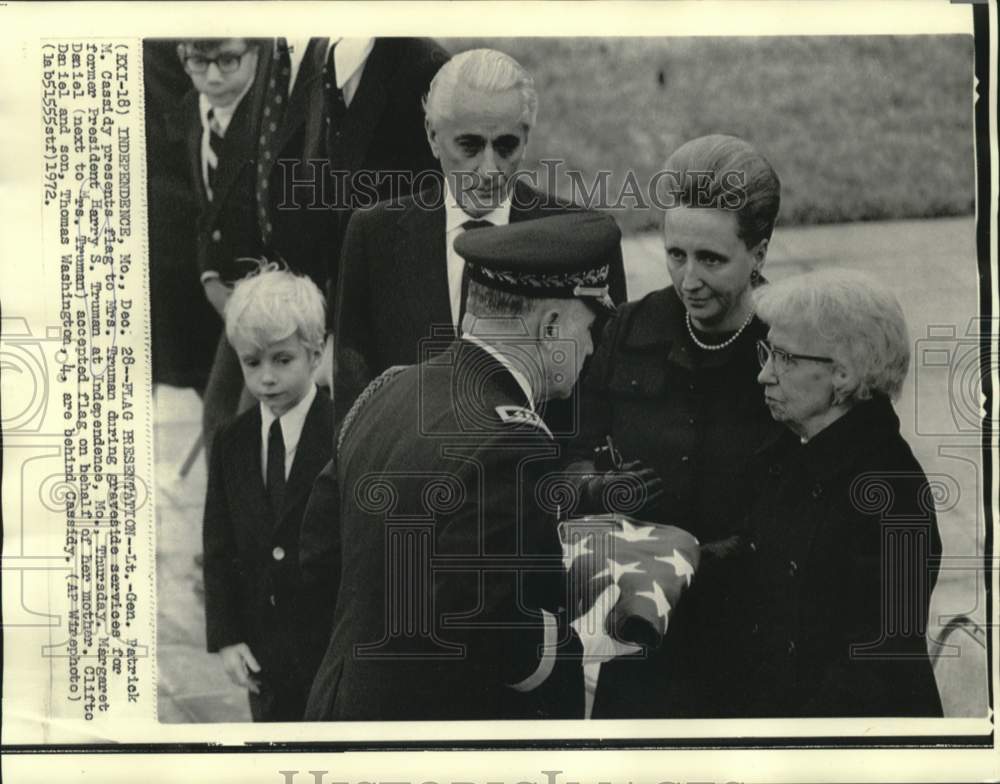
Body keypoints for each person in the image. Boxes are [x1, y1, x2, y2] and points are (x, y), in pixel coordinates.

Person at [304, 213, 635, 721]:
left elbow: (322, 553)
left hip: (342, 705)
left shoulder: (390, 388)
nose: (591, 348)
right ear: (551, 328)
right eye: (590, 327)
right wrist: (580, 638)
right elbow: (493, 632)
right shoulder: (514, 442)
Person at [567, 134, 786, 717]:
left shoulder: (790, 349)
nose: (688, 280)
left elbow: (801, 511)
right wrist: (598, 497)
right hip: (638, 651)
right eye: (675, 255)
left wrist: (683, 563)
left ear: (759, 253)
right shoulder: (628, 330)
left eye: (711, 260)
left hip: (751, 649)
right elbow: (575, 451)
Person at [332, 47, 627, 431]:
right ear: (432, 137)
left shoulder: (582, 240)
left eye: (506, 147)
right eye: (469, 146)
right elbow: (356, 403)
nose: (488, 170)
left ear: (527, 137)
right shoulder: (374, 235)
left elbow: (608, 389)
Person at [736, 268, 943, 716]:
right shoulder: (786, 453)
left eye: (785, 358)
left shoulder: (894, 494)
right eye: (766, 353)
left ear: (844, 376)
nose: (764, 376)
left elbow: (876, 665)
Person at [202, 264, 333, 722]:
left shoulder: (343, 432)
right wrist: (227, 636)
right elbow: (218, 547)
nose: (266, 379)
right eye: (251, 362)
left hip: (328, 650)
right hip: (263, 656)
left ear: (315, 354)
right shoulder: (231, 442)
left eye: (282, 360)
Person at [173, 37, 266, 457]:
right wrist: (209, 273)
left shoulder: (275, 117)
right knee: (219, 418)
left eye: (229, 59)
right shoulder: (195, 110)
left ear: (257, 53)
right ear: (182, 58)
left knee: (242, 424)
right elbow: (205, 208)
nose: (213, 76)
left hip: (277, 297)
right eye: (199, 60)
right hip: (232, 301)